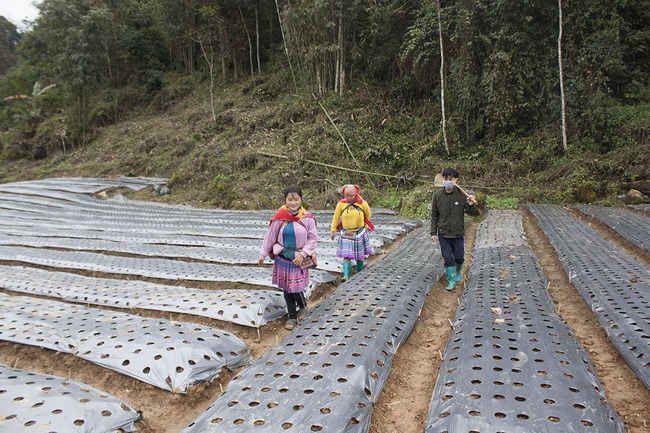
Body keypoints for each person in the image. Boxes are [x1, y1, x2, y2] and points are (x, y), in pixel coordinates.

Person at [259, 186, 318, 330]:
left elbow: (312, 239)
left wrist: (303, 254)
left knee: (296, 288)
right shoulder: (280, 217)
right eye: (290, 199)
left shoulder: (307, 218)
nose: (293, 203)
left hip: (299, 258)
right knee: (287, 288)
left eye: (296, 199)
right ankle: (292, 315)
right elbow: (270, 237)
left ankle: (302, 307)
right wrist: (262, 254)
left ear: (301, 199)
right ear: (285, 200)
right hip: (283, 257)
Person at [430, 167, 479, 291]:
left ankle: (458, 271)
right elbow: (434, 215)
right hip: (443, 233)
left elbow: (472, 213)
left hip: (457, 233)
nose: (448, 181)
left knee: (459, 257)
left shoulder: (461, 195)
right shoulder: (437, 196)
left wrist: (471, 204)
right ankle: (451, 280)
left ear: (456, 180)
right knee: (447, 258)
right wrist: (433, 232)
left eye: (451, 178)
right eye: (446, 178)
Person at [330, 184, 373, 282]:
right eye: (347, 196)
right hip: (346, 233)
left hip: (359, 232)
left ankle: (359, 272)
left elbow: (368, 214)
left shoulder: (362, 203)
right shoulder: (341, 204)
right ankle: (345, 275)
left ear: (355, 194)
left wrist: (365, 226)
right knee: (346, 255)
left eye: (351, 196)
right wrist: (333, 230)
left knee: (359, 255)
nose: (348, 198)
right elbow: (335, 218)